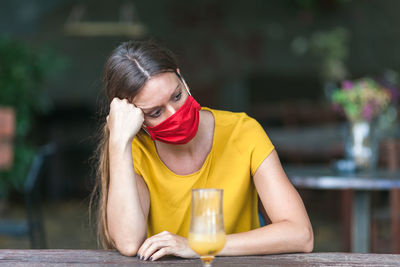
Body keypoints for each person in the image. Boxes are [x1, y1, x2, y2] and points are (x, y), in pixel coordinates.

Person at [92, 40, 313, 261]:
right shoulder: (135, 151)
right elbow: (128, 242)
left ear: (183, 80)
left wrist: (202, 245)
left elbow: (301, 234)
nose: (174, 114)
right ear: (134, 117)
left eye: (177, 96)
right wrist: (119, 142)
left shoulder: (243, 132)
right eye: (156, 112)